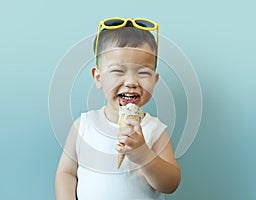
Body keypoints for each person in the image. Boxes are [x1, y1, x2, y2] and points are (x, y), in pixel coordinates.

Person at [55, 17, 181, 200]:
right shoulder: (83, 126)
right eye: (118, 71)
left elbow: (170, 184)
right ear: (98, 77)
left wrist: (143, 155)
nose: (131, 82)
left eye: (143, 73)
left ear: (154, 80)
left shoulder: (154, 129)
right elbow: (66, 173)